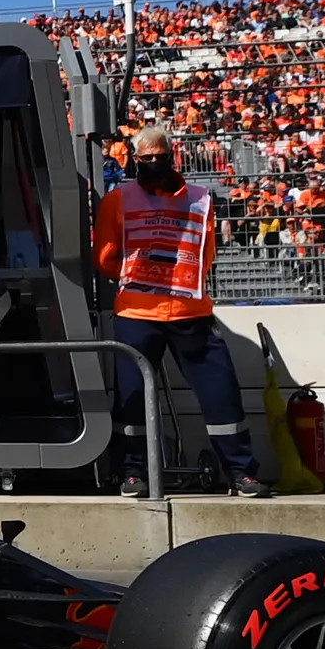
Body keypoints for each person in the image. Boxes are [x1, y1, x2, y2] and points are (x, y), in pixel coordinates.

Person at [91, 128, 267, 498]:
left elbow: (205, 253)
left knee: (220, 393)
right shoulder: (123, 200)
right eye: (147, 158)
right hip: (139, 312)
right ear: (134, 160)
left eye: (159, 157)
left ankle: (240, 471)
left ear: (171, 156)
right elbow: (105, 259)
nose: (154, 163)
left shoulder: (196, 199)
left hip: (187, 311)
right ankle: (133, 472)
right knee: (131, 397)